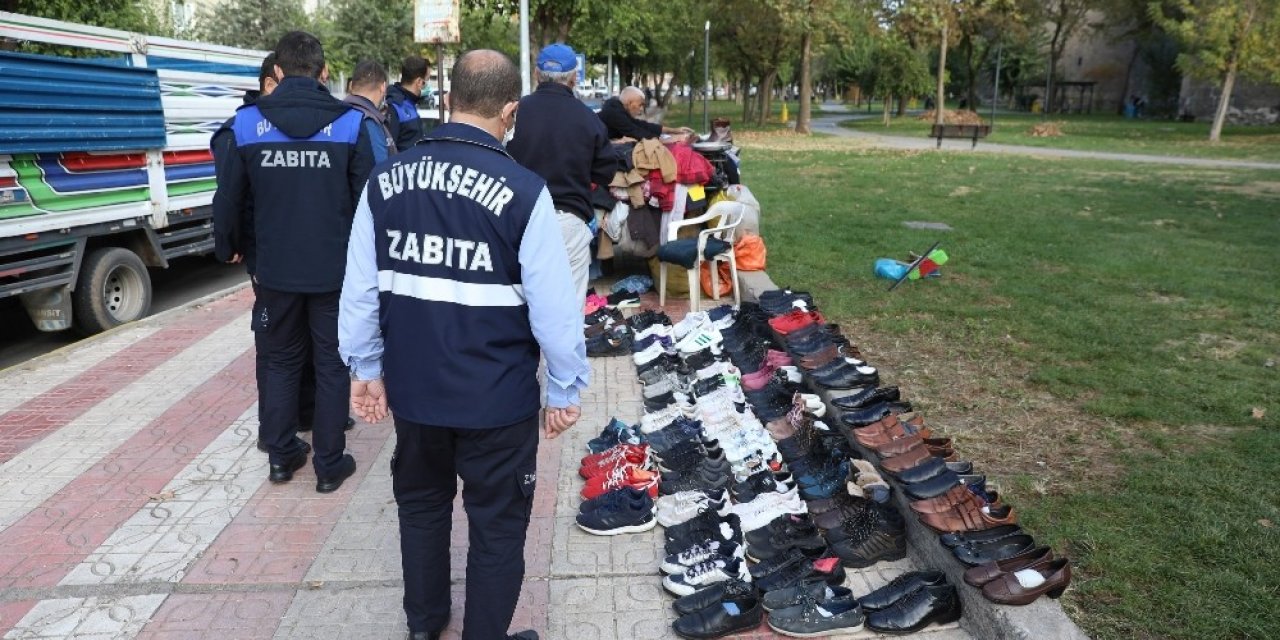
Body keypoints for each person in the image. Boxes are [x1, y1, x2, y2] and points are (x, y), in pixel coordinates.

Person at [338, 49, 589, 640]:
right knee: (498, 526)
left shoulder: (385, 180)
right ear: (509, 112)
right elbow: (555, 310)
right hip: (496, 400)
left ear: (449, 99)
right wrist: (564, 386)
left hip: (416, 392)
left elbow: (359, 291)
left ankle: (424, 626)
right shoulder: (525, 192)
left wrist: (365, 368)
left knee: (422, 508)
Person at [213, 30, 374, 492]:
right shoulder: (350, 124)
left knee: (280, 361)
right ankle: (329, 465)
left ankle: (281, 458)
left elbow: (229, 200)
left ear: (277, 72)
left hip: (274, 272)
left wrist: (229, 247)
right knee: (330, 363)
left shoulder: (246, 125)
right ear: (323, 72)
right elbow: (367, 205)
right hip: (334, 273)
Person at [507, 43, 616, 307]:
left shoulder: (514, 113)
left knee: (521, 305)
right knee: (566, 312)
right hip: (567, 221)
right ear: (574, 77)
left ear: (536, 74)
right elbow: (606, 172)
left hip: (518, 220)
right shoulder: (588, 118)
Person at [343, 59, 397, 161]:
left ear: (351, 85)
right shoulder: (369, 122)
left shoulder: (338, 114)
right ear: (383, 87)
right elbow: (381, 170)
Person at [598, 85, 695, 141]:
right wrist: (673, 139)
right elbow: (637, 133)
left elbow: (640, 125)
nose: (641, 109)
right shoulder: (614, 113)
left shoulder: (618, 108)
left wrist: (674, 130)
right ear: (630, 102)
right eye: (640, 105)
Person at [386, 55, 429, 150]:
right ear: (418, 82)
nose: (425, 86)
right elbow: (390, 149)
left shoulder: (409, 103)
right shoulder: (395, 106)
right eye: (425, 82)